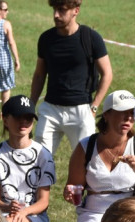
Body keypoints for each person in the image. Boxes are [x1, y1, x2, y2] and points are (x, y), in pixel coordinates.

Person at [65, 90, 135, 222]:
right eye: (122, 113)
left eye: (131, 113)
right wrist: (71, 193)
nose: (128, 118)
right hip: (95, 213)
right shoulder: (86, 146)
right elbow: (73, 187)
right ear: (106, 115)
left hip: (133, 210)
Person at [28, 0, 112, 156]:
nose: (56, 15)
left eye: (61, 10)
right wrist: (31, 106)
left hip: (81, 110)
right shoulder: (46, 39)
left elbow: (107, 73)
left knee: (85, 162)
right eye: (54, 9)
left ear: (76, 10)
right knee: (37, 161)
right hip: (50, 109)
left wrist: (94, 107)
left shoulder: (91, 38)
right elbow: (40, 75)